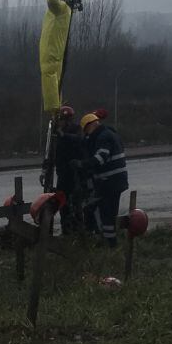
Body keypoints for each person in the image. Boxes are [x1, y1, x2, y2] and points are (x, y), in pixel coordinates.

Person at [74, 111, 128, 247]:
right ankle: (109, 242)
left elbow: (100, 158)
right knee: (107, 214)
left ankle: (110, 244)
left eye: (86, 131)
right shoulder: (110, 134)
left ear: (90, 126)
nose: (86, 135)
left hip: (110, 182)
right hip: (115, 181)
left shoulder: (103, 137)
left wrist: (82, 164)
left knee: (106, 214)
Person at [53, 105, 87, 234]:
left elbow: (79, 139)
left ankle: (79, 230)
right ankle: (66, 230)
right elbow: (52, 153)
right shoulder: (56, 134)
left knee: (76, 203)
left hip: (74, 174)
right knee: (62, 203)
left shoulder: (76, 129)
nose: (65, 122)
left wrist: (64, 135)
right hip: (62, 173)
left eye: (67, 119)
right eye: (62, 119)